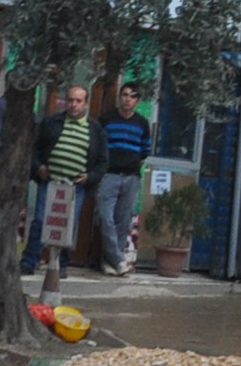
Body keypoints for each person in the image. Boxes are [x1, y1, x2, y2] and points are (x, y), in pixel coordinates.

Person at [30, 83, 92, 301]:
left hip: (75, 186)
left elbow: (102, 160)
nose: (73, 105)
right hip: (50, 181)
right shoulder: (51, 122)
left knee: (68, 225)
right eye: (70, 100)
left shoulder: (94, 129)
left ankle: (61, 264)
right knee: (40, 220)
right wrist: (39, 166)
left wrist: (90, 176)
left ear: (85, 104)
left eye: (78, 101)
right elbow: (35, 148)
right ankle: (30, 261)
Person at [91, 80, 152, 275]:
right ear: (120, 97)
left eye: (132, 96)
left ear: (137, 101)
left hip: (131, 177)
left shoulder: (142, 123)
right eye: (125, 95)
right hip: (109, 175)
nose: (128, 99)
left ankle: (109, 263)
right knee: (104, 217)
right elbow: (97, 145)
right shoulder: (107, 119)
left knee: (123, 222)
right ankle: (118, 260)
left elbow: (145, 150)